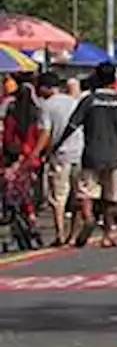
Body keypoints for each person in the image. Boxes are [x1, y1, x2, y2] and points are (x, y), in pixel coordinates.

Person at [56, 62, 117, 248]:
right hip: (115, 157)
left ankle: (89, 217)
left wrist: (58, 144)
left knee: (85, 193)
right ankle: (107, 235)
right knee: (111, 198)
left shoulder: (89, 100)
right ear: (114, 80)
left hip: (92, 155)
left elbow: (72, 125)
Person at [36, 72, 84, 245]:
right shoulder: (74, 102)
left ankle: (60, 234)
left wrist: (36, 153)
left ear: (45, 87)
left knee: (58, 198)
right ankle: (74, 234)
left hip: (59, 155)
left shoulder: (46, 106)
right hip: (79, 153)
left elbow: (45, 133)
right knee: (78, 195)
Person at [3, 75, 44, 240]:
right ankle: (32, 215)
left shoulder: (12, 114)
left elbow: (7, 137)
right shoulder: (37, 114)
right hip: (33, 157)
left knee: (14, 190)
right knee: (30, 190)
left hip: (16, 157)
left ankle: (21, 218)